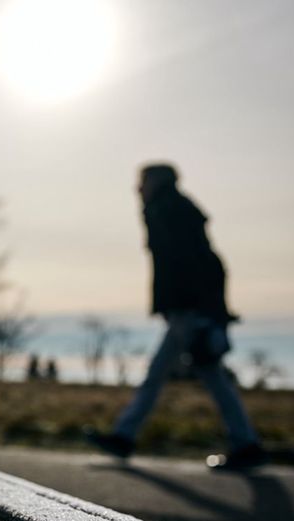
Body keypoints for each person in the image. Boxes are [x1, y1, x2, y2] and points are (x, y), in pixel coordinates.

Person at [87, 163, 267, 471]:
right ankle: (124, 435)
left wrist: (204, 312)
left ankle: (246, 443)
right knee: (162, 374)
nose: (138, 188)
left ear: (157, 182)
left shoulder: (168, 211)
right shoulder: (170, 210)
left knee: (207, 374)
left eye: (143, 181)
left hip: (189, 311)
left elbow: (195, 265)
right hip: (184, 310)